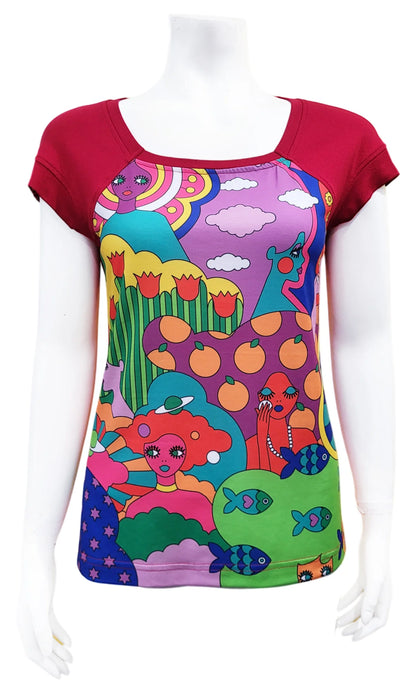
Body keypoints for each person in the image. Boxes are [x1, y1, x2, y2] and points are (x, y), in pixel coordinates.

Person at [18, 12, 397, 679]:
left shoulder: (342, 143)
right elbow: (61, 351)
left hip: (295, 541)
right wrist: (30, 544)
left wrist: (384, 521)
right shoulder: (79, 145)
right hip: (124, 561)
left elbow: (365, 342)